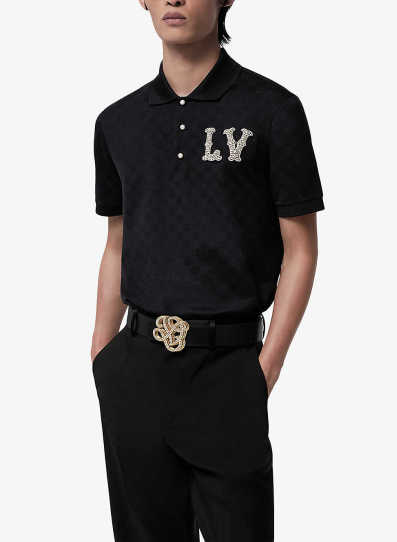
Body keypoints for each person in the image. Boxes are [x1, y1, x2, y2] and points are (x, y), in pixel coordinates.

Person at [91, 1, 324, 540]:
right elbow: (117, 242)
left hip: (229, 372)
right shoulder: (117, 122)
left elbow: (302, 249)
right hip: (136, 372)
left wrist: (264, 369)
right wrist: (102, 354)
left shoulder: (273, 110)